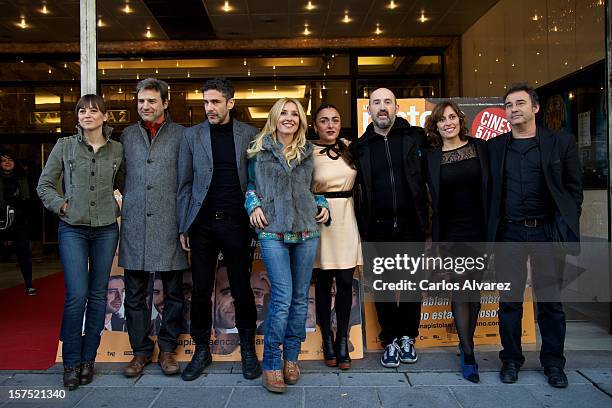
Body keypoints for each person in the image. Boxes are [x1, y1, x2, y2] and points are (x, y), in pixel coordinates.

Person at [488, 83, 582, 388]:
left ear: (535, 108)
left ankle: (554, 363)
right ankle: (511, 360)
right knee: (509, 302)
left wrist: (562, 228)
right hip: (508, 233)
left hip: (546, 231)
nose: (513, 109)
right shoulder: (497, 147)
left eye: (520, 103)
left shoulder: (561, 142)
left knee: (550, 303)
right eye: (509, 105)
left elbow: (573, 191)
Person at [37, 94, 123, 390]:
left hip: (105, 229)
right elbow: (44, 185)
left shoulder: (117, 150)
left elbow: (126, 183)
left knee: (98, 295)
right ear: (78, 117)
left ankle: (89, 359)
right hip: (72, 228)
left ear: (105, 116)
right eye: (82, 111)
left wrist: (119, 205)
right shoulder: (65, 146)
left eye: (94, 110)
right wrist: (62, 206)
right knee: (77, 294)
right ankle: (71, 362)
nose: (87, 114)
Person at [177, 77, 261, 381]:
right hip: (202, 225)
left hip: (237, 224)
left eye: (215, 102)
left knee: (241, 289)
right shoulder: (191, 136)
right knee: (201, 290)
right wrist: (184, 225)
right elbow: (184, 184)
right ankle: (202, 350)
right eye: (205, 102)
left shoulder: (250, 135)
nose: (209, 108)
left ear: (230, 103)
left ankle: (249, 350)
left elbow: (256, 179)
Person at [245, 97, 330, 393]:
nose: (289, 118)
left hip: (307, 230)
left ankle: (292, 359)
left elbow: (313, 188)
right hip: (272, 231)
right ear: (275, 116)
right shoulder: (258, 149)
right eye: (284, 112)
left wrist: (321, 205)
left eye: (295, 113)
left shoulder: (307, 151)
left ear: (301, 120)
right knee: (281, 297)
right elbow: (249, 186)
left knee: (298, 298)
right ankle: (271, 362)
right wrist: (253, 205)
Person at [355, 87, 429, 368]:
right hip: (377, 228)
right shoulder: (360, 147)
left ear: (397, 107)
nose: (382, 107)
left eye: (387, 101)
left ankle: (408, 336)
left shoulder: (417, 138)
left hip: (412, 226)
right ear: (369, 109)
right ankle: (391, 340)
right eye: (376, 102)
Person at [119, 78, 187, 378]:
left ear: (165, 103)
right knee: (134, 294)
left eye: (151, 101)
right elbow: (118, 176)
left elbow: (189, 181)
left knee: (174, 292)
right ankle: (140, 352)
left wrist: (185, 224)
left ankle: (168, 349)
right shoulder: (126, 135)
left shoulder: (183, 135)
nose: (145, 106)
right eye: (141, 101)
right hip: (134, 224)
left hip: (171, 223)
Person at [424, 100, 489, 382]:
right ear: (435, 126)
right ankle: (468, 352)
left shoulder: (481, 148)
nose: (447, 122)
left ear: (460, 120)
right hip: (451, 233)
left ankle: (467, 343)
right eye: (441, 119)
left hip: (482, 230)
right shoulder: (431, 157)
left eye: (452, 117)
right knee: (461, 291)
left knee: (474, 294)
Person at [310, 103, 362, 370]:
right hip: (321, 222)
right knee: (322, 283)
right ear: (315, 125)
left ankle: (342, 339)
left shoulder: (349, 148)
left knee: (345, 283)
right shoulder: (306, 152)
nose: (330, 125)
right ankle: (327, 340)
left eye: (335, 119)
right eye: (324, 121)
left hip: (347, 220)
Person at [0, 150, 35, 295]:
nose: (7, 163)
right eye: (3, 160)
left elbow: (29, 201)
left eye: (10, 160)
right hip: (0, 220)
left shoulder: (23, 178)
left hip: (19, 222)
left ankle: (29, 284)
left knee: (23, 254)